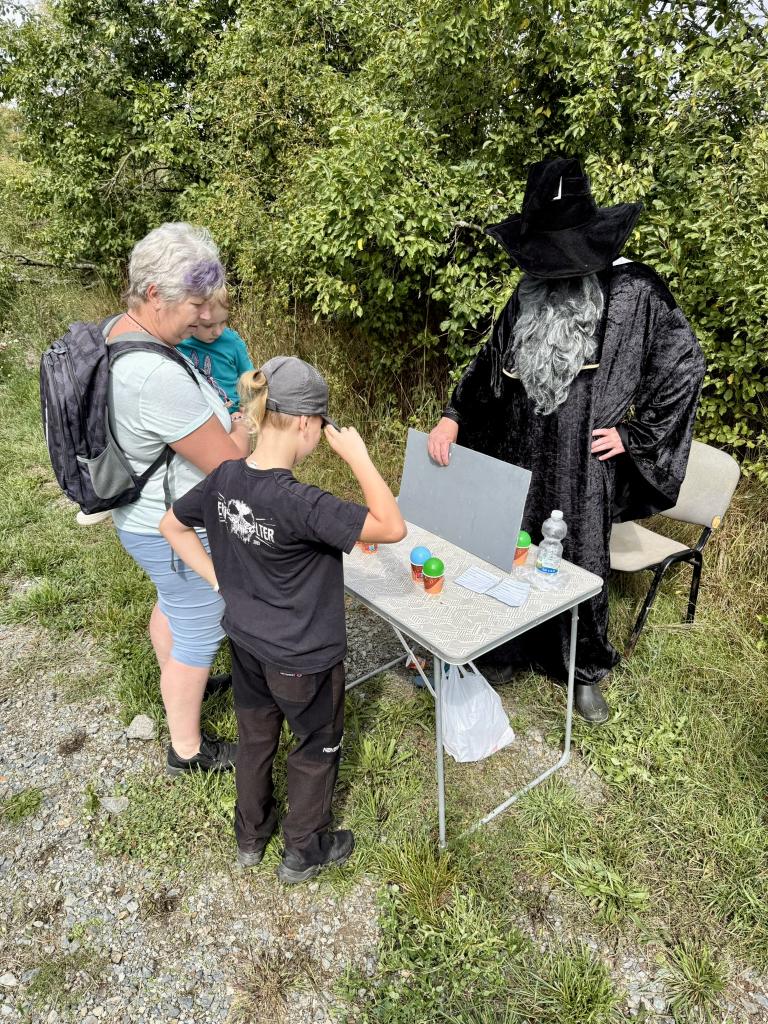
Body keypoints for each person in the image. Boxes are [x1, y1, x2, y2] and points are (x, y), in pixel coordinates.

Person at [428, 157, 705, 723]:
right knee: (512, 548)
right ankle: (510, 647)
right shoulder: (528, 290)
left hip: (584, 460)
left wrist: (635, 434)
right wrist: (454, 415)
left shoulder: (633, 290)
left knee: (579, 556)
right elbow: (490, 361)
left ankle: (583, 668)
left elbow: (683, 364)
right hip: (518, 451)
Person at [159, 356, 406, 882]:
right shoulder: (304, 504)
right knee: (316, 746)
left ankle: (251, 835)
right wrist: (359, 457)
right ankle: (304, 849)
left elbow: (170, 525)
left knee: (255, 739)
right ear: (306, 424)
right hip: (303, 657)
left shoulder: (225, 477)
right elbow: (391, 526)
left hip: (246, 643)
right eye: (321, 426)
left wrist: (220, 580)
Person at [108, 222, 251, 773]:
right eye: (195, 304)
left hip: (147, 518)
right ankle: (188, 750)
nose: (205, 315)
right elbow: (228, 463)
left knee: (175, 604)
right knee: (201, 623)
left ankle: (182, 676)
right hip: (172, 527)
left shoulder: (123, 332)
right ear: (154, 294)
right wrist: (244, 424)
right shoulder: (152, 374)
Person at [177, 285, 254, 411]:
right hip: (196, 414)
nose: (218, 332)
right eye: (208, 325)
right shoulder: (178, 341)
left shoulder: (232, 342)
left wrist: (247, 407)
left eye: (223, 322)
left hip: (231, 413)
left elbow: (250, 379)